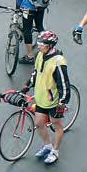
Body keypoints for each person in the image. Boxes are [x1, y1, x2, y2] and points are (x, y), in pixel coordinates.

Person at [23, 31, 70, 164]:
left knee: (57, 125)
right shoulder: (40, 55)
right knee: (39, 123)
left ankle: (55, 151)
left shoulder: (59, 62)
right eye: (38, 43)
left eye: (42, 44)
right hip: (41, 98)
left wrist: (62, 102)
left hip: (53, 101)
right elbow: (36, 73)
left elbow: (64, 83)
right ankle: (47, 145)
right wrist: (27, 85)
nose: (39, 46)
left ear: (50, 45)